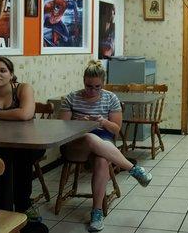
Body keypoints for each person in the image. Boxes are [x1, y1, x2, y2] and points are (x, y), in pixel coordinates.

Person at [60, 60, 152, 232]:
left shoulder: (111, 98)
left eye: (97, 87)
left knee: (102, 160)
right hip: (75, 142)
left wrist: (102, 121)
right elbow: (62, 127)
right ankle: (133, 169)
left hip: (103, 139)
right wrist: (79, 122)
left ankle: (96, 212)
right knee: (88, 136)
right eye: (88, 86)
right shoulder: (72, 97)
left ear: (103, 84)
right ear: (83, 81)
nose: (92, 90)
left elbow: (116, 130)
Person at [0, 56, 44, 221]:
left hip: (28, 144)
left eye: (3, 70)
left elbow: (24, 114)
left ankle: (22, 205)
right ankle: (4, 207)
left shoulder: (23, 89)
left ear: (11, 74)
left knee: (19, 158)